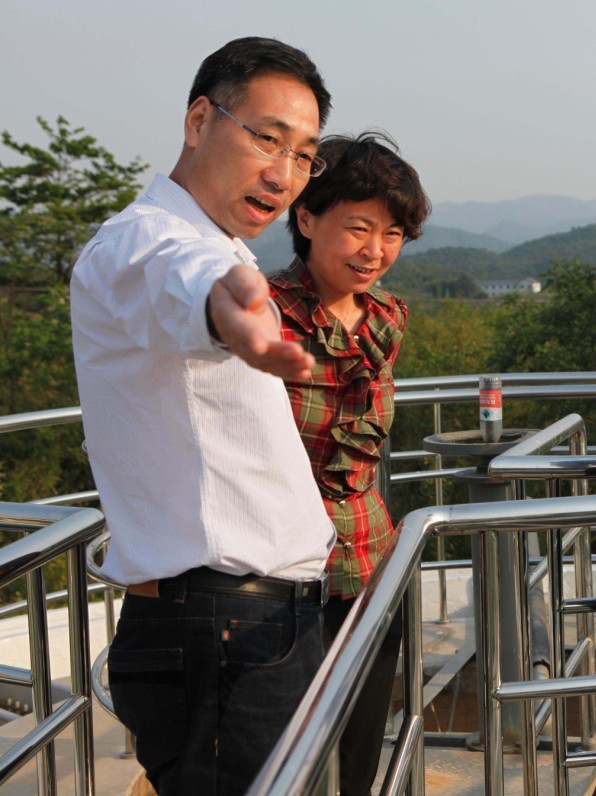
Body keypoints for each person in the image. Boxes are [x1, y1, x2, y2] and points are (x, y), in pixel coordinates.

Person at [71, 37, 336, 794]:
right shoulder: (147, 241)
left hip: (248, 627)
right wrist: (231, 311)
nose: (283, 174)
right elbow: (185, 281)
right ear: (198, 121)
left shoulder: (216, 245)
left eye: (304, 155)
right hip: (221, 633)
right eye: (267, 138)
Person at [268, 131, 430, 796]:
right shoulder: (262, 315)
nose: (375, 250)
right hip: (279, 572)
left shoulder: (387, 317)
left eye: (392, 233)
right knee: (284, 752)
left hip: (369, 561)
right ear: (306, 218)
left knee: (361, 748)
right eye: (358, 228)